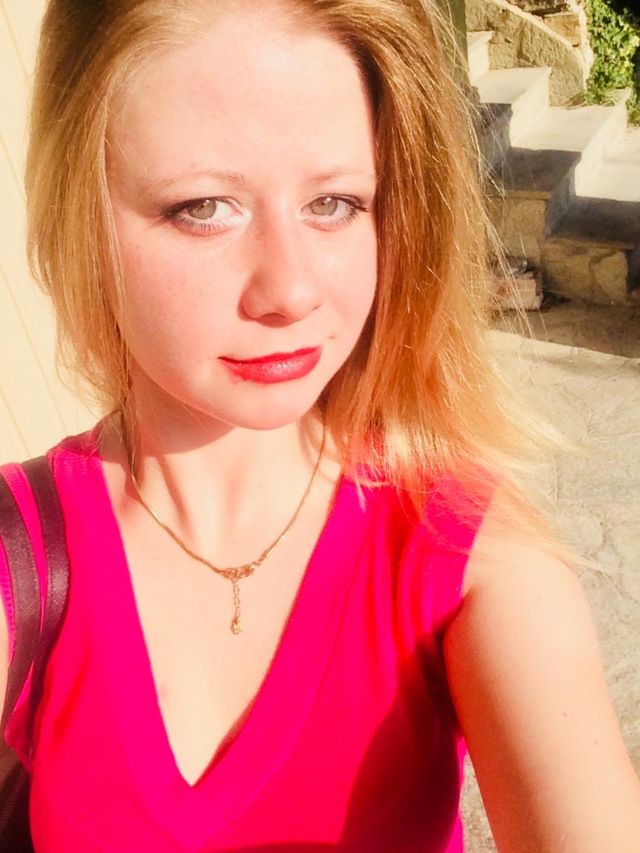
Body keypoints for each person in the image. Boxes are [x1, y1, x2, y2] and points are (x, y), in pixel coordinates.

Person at [1, 0, 639, 850]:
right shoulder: (23, 558)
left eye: (334, 203)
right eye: (203, 206)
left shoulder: (466, 559)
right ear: (77, 214)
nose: (292, 290)